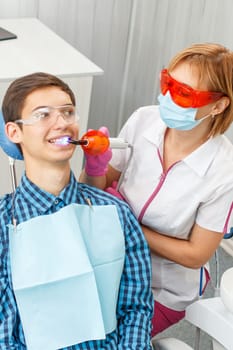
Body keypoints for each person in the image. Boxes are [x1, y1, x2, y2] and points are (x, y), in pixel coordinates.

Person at [79, 43, 233, 336]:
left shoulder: (224, 171)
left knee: (104, 339)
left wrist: (127, 226)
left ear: (218, 105)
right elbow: (95, 194)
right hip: (107, 262)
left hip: (161, 290)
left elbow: (195, 255)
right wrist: (95, 168)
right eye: (168, 83)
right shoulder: (144, 120)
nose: (168, 98)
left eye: (184, 93)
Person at [0, 72, 154, 349]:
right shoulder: (3, 225)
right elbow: (4, 331)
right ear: (14, 132)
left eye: (68, 112)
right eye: (43, 115)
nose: (61, 123)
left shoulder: (116, 213)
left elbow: (136, 309)